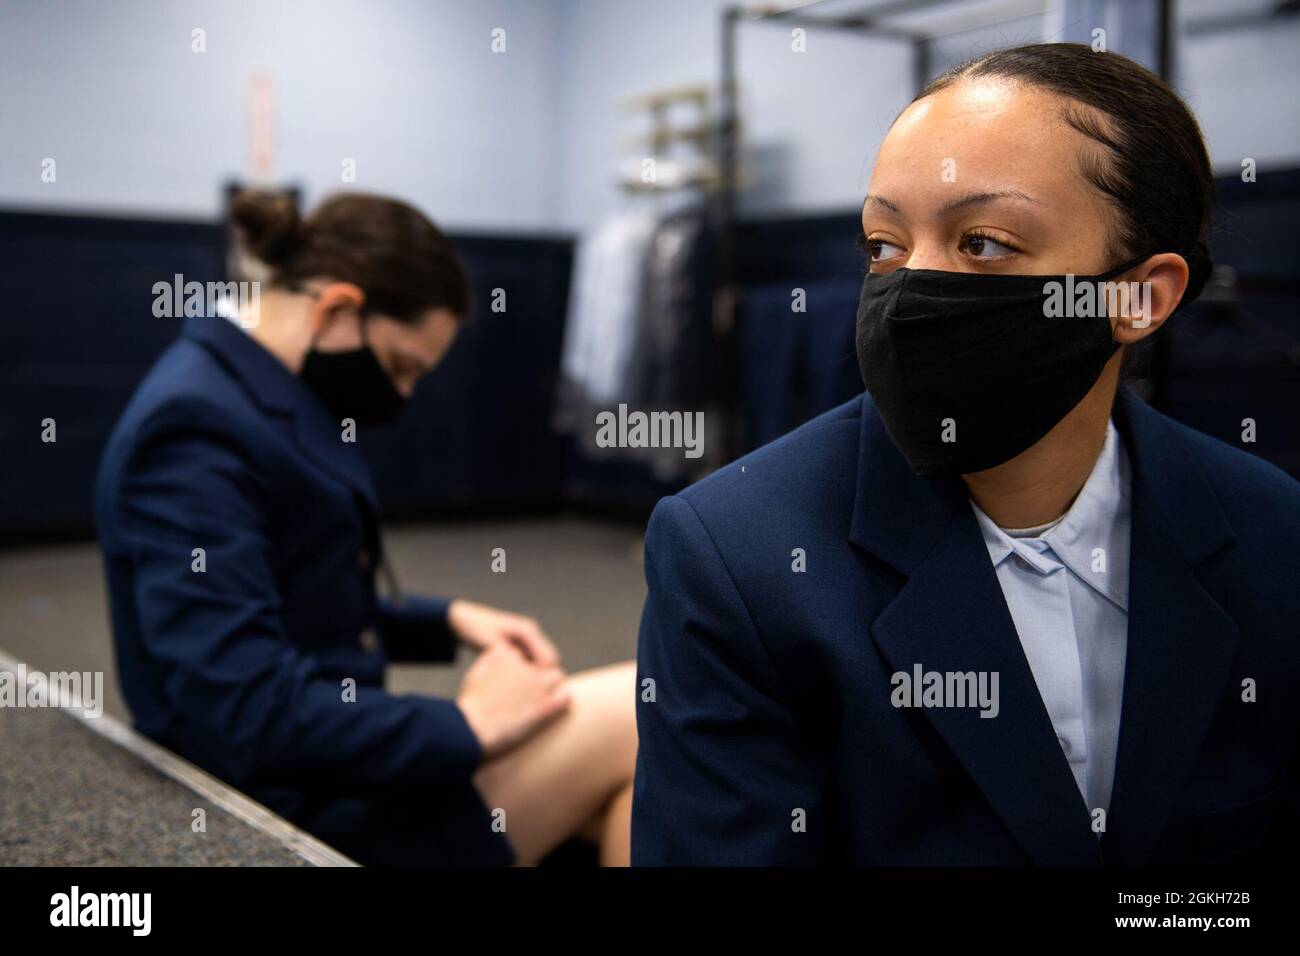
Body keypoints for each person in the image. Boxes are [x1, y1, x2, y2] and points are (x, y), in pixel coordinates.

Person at [633, 43, 1300, 865]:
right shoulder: (742, 557)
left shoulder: (1273, 531)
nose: (909, 291)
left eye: (982, 243)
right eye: (884, 244)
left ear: (1140, 297)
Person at [95, 191, 636, 866]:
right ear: (338, 309)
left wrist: (447, 619)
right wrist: (471, 723)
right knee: (650, 713)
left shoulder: (247, 389)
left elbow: (285, 596)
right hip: (284, 812)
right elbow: (242, 711)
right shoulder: (195, 429)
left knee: (643, 792)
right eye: (401, 366)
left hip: (335, 767)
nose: (403, 395)